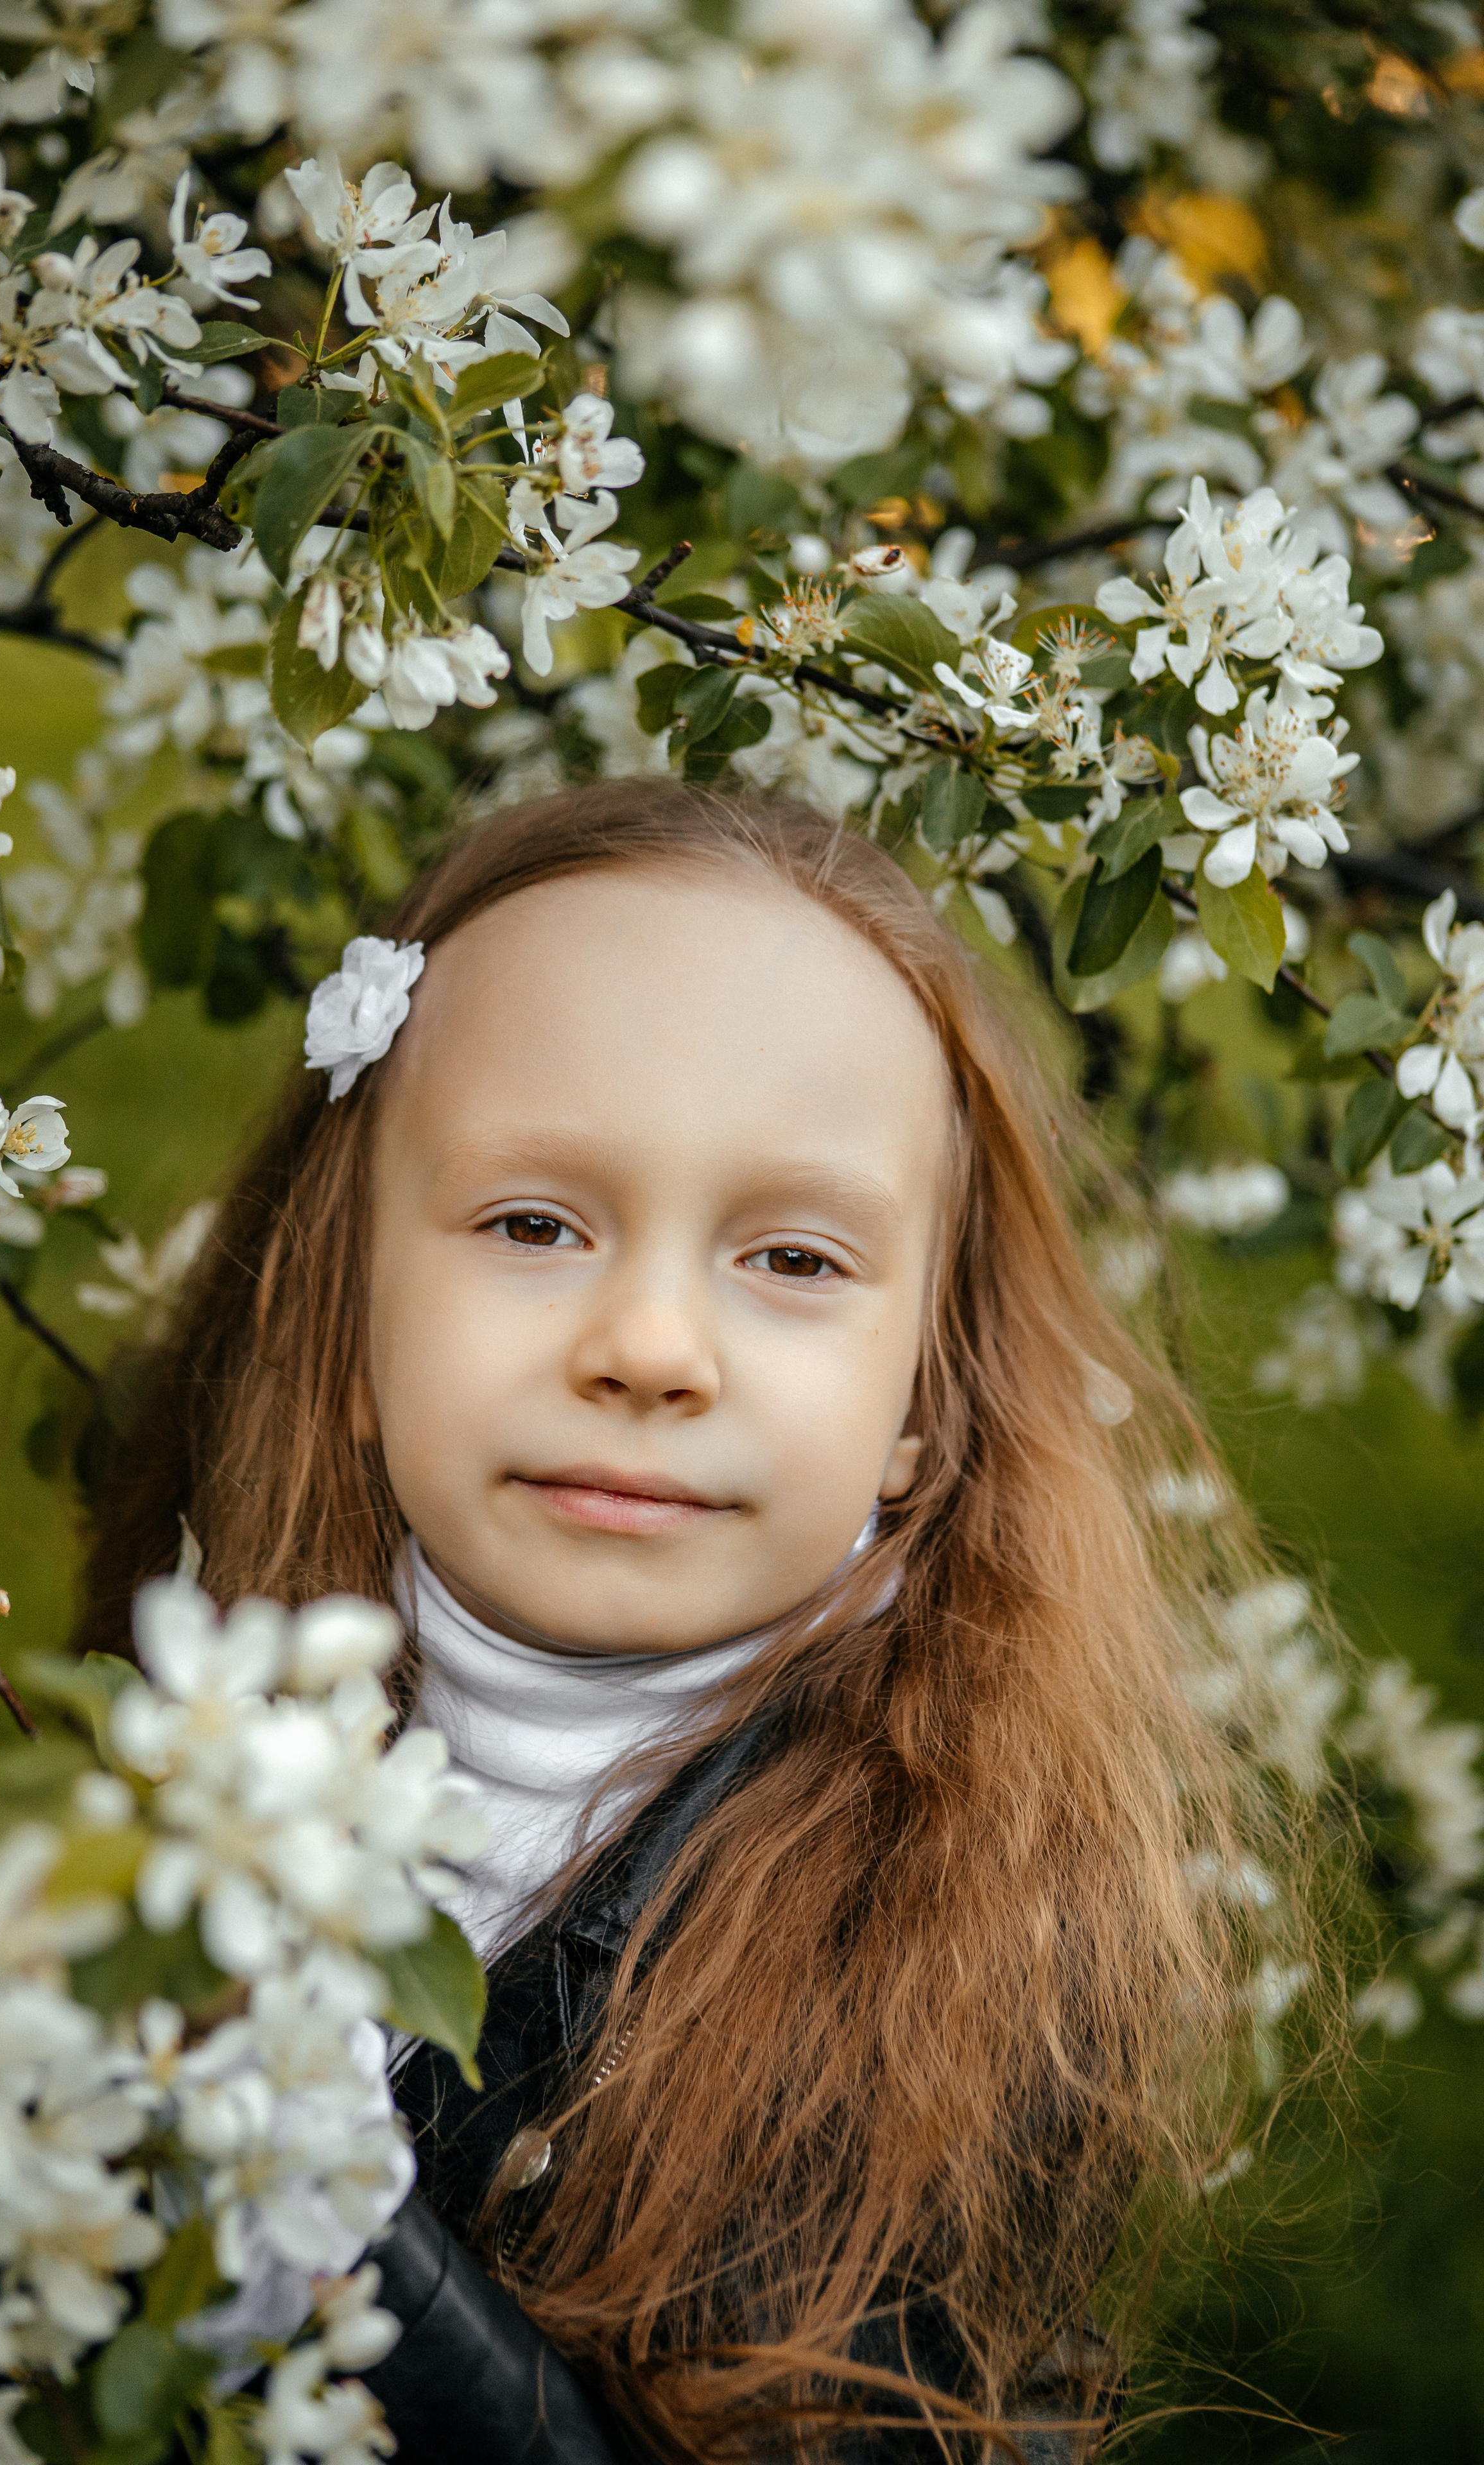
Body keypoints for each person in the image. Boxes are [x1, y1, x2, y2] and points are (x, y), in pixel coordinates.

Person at [82, 783, 1324, 2461]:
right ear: (348, 1311)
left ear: (922, 1402)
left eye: (794, 1260)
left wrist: (336, 2244)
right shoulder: (182, 1739)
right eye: (534, 1224)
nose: (652, 1349)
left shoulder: (956, 1957)